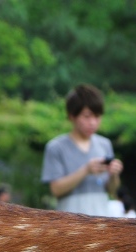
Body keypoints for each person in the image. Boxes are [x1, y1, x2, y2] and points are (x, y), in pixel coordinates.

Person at [41, 84, 123, 216]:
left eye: (97, 117)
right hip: (69, 226)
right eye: (87, 116)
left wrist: (114, 174)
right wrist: (86, 170)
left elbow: (112, 190)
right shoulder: (56, 147)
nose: (93, 123)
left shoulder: (105, 144)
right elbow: (56, 189)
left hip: (101, 224)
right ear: (72, 116)